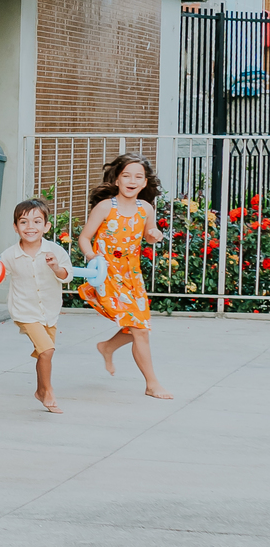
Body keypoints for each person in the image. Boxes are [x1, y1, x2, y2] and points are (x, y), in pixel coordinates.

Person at [78, 155, 170, 399]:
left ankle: (107, 347)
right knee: (140, 329)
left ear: (144, 183)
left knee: (138, 326)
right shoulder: (106, 207)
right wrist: (92, 258)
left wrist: (155, 235)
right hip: (107, 273)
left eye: (138, 177)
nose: (132, 180)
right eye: (126, 175)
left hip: (132, 276)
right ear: (117, 179)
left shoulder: (146, 209)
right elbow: (84, 238)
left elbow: (149, 236)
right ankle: (152, 384)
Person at [0, 199, 72, 413]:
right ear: (15, 227)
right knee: (47, 349)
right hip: (24, 311)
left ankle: (40, 391)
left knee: (43, 354)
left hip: (49, 311)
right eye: (23, 222)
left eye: (37, 221)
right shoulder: (10, 255)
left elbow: (67, 276)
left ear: (46, 226)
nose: (30, 227)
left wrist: (56, 267)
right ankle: (48, 391)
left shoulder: (55, 251)